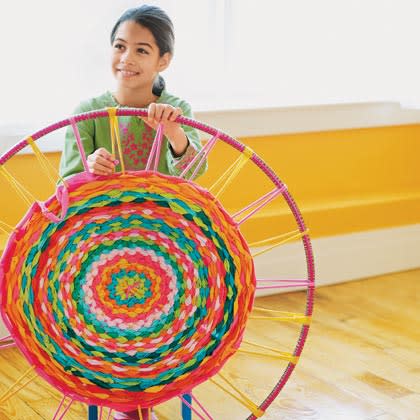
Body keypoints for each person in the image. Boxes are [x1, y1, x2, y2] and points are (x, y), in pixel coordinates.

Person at [59, 5, 206, 420]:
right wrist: (89, 169)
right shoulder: (87, 111)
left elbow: (196, 176)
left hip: (165, 240)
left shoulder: (177, 107)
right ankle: (125, 398)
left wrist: (174, 131)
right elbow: (65, 184)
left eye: (142, 51)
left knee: (165, 317)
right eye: (120, 47)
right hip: (100, 241)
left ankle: (152, 389)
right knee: (107, 316)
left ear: (164, 60)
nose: (127, 59)